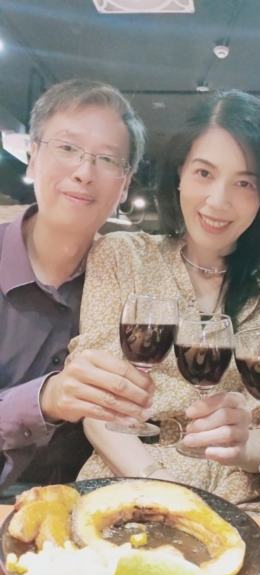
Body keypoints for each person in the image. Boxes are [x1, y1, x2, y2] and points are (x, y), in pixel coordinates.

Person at [67, 89, 260, 516]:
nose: (218, 201)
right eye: (204, 173)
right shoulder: (123, 256)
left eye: (244, 183)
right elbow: (99, 406)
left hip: (241, 498)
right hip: (128, 481)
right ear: (180, 171)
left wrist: (244, 446)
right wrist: (158, 483)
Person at [0, 79, 156, 494]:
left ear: (125, 184)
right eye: (67, 148)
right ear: (32, 157)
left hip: (92, 510)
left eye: (106, 159)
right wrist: (45, 399)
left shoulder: (127, 285)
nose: (84, 173)